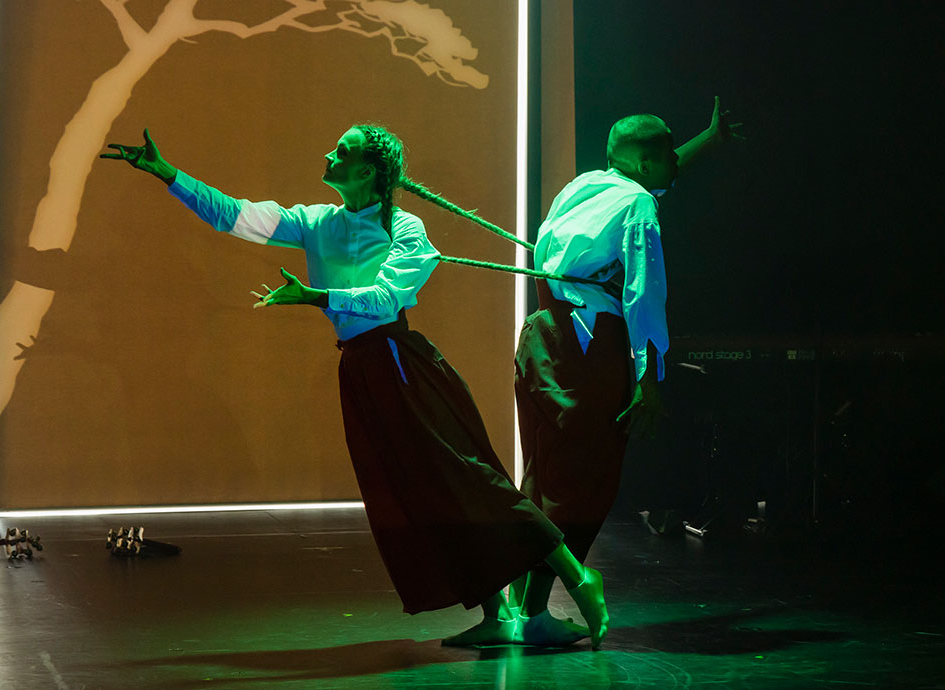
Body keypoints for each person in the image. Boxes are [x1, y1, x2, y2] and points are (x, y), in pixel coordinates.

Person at [100, 124, 610, 649]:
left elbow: (385, 299)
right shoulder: (317, 222)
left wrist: (318, 297)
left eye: (341, 151)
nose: (329, 153)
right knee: (421, 493)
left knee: (471, 481)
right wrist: (168, 174)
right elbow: (234, 215)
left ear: (366, 170)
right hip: (363, 369)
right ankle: (495, 614)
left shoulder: (405, 229)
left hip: (402, 364)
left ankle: (577, 576)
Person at [508, 98, 742, 645]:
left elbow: (653, 171)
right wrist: (649, 379)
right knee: (582, 482)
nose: (676, 162)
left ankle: (520, 614)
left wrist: (707, 142)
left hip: (543, 339)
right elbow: (643, 295)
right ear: (643, 162)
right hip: (590, 347)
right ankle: (538, 613)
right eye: (670, 153)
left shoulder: (585, 186)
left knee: (542, 478)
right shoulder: (637, 205)